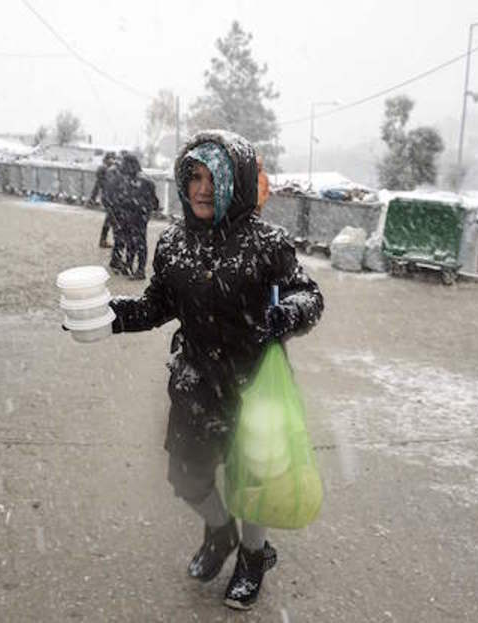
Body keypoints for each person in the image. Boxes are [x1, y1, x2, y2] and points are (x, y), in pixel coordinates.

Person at [109, 130, 324, 610]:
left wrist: (290, 313)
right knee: (187, 477)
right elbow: (156, 305)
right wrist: (110, 316)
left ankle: (252, 556)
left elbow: (309, 295)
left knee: (257, 481)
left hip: (255, 387)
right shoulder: (173, 244)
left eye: (214, 178)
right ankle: (220, 531)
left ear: (238, 183)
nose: (202, 189)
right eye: (194, 177)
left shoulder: (268, 244)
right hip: (196, 383)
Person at [119, 152, 158, 280]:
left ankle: (140, 270)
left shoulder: (143, 180)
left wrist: (140, 207)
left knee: (139, 242)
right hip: (132, 214)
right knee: (131, 240)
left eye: (124, 163)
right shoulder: (131, 179)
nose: (122, 166)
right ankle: (129, 264)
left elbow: (152, 201)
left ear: (130, 165)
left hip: (139, 215)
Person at [88, 151, 117, 248]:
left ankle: (104, 240)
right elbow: (99, 184)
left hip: (107, 197)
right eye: (112, 158)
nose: (113, 161)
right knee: (112, 219)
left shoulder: (104, 168)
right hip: (110, 197)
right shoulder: (106, 169)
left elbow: (97, 185)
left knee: (110, 218)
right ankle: (107, 240)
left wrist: (93, 197)